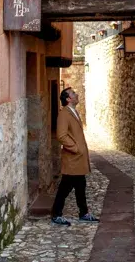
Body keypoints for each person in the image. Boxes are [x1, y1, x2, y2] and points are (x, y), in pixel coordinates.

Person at [51, 87, 99, 226]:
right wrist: (76, 148)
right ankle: (56, 214)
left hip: (77, 159)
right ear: (68, 99)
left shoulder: (73, 112)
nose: (76, 94)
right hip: (73, 159)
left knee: (80, 186)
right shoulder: (64, 114)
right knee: (65, 187)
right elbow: (61, 135)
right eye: (73, 93)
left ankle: (83, 213)